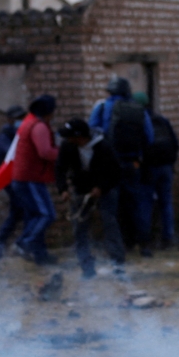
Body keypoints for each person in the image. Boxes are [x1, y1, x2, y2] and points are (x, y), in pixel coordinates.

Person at [89, 77, 155, 256]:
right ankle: (143, 245)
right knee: (135, 204)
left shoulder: (102, 107)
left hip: (109, 166)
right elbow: (149, 138)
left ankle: (117, 249)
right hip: (132, 164)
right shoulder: (138, 109)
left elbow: (91, 135)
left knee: (111, 208)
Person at [55, 118, 124, 278]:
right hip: (81, 190)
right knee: (79, 229)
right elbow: (60, 168)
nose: (68, 139)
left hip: (105, 190)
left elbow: (115, 172)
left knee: (110, 224)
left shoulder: (103, 146)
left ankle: (118, 265)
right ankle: (87, 268)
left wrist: (101, 187)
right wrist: (63, 189)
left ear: (80, 136)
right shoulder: (68, 146)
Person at [12, 95, 60, 265]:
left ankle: (40, 255)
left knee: (35, 216)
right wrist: (62, 154)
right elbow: (45, 152)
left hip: (25, 177)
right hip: (30, 178)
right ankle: (24, 243)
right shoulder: (39, 127)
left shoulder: (31, 123)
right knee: (47, 214)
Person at [135, 92, 179, 249]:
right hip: (166, 166)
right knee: (166, 203)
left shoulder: (139, 122)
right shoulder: (162, 120)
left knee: (145, 203)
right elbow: (175, 143)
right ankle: (168, 238)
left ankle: (145, 240)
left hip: (149, 168)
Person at [0, 105, 27, 258]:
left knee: (18, 211)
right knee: (21, 210)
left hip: (16, 178)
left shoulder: (15, 132)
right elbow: (9, 155)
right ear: (9, 119)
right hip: (10, 179)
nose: (20, 121)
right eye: (17, 118)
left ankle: (0, 241)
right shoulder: (5, 134)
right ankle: (2, 241)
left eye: (22, 118)